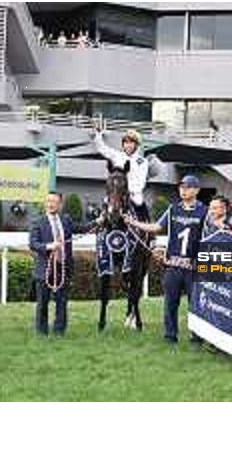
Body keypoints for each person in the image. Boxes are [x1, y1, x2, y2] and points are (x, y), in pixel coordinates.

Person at [127, 176, 207, 344]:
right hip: (173, 266)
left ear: (196, 190)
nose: (183, 190)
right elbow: (156, 227)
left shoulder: (204, 211)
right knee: (170, 303)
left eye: (188, 187)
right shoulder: (173, 209)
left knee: (196, 306)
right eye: (181, 187)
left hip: (194, 267)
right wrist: (134, 223)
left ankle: (197, 337)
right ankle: (170, 336)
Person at [29, 192, 77, 337]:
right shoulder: (37, 222)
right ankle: (42, 332)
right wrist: (50, 246)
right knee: (43, 302)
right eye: (48, 201)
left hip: (63, 266)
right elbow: (33, 244)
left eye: (54, 202)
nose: (51, 204)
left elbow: (81, 228)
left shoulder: (66, 220)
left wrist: (98, 221)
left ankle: (59, 331)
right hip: (45, 268)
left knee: (62, 302)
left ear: (60, 205)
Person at [93, 128, 150, 222]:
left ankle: (148, 233)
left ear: (136, 145)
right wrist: (98, 134)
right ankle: (100, 228)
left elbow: (141, 181)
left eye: (131, 143)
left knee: (140, 205)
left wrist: (128, 190)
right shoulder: (117, 155)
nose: (128, 145)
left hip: (133, 194)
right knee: (106, 202)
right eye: (126, 143)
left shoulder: (142, 162)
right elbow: (102, 148)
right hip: (116, 191)